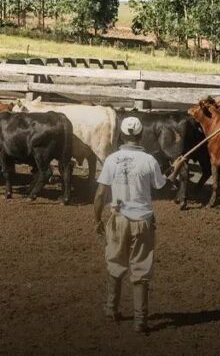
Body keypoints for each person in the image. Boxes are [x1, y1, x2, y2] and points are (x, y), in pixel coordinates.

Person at [93, 116, 167, 334]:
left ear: (122, 135)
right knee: (141, 270)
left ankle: (111, 308)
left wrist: (97, 219)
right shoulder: (150, 161)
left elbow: (99, 194)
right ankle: (140, 320)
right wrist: (177, 166)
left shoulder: (111, 159)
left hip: (118, 218)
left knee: (115, 264)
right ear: (140, 134)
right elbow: (161, 186)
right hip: (142, 219)